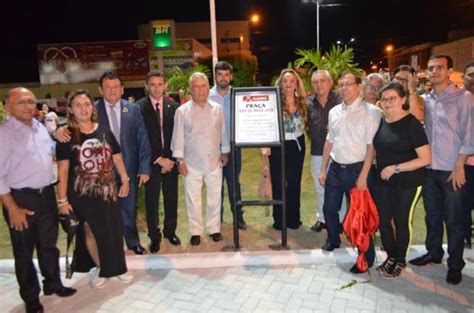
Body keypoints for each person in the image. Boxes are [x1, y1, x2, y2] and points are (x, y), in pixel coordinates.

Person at [54, 71, 151, 255]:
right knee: (105, 216)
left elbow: (143, 139)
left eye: (116, 87)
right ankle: (109, 249)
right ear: (100, 90)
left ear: (122, 89)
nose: (112, 90)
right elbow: (73, 126)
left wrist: (144, 168)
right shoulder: (92, 108)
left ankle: (132, 242)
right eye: (108, 87)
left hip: (126, 170)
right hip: (98, 176)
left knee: (128, 209)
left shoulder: (133, 109)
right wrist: (57, 131)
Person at [0, 88, 76, 313]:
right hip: (20, 198)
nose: (27, 106)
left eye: (31, 102)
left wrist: (58, 134)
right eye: (21, 102)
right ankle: (31, 297)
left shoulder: (39, 127)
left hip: (45, 196)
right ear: (7, 106)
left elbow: (48, 154)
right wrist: (12, 207)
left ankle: (53, 284)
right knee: (24, 251)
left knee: (48, 245)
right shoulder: (4, 134)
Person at [56, 90, 133, 289]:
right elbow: (63, 171)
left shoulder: (105, 131)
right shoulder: (66, 137)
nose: (83, 108)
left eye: (87, 104)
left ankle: (118, 268)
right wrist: (62, 200)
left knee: (113, 231)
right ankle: (101, 268)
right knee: (90, 231)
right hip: (82, 195)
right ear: (71, 110)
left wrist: (125, 179)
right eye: (78, 105)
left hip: (108, 192)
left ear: (93, 107)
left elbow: (116, 157)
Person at [409, 55, 473, 285]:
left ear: (449, 70)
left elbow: (469, 134)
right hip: (429, 169)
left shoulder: (464, 98)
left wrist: (459, 166)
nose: (434, 71)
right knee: (432, 216)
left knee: (454, 220)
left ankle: (455, 264)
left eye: (439, 68)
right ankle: (434, 253)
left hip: (451, 170)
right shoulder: (426, 100)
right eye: (431, 68)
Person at [319, 71, 381, 273]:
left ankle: (365, 258)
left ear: (359, 87)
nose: (344, 88)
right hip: (336, 168)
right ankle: (333, 239)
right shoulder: (334, 111)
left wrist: (363, 176)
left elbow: (371, 147)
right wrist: (323, 169)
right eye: (341, 84)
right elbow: (330, 141)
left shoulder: (371, 112)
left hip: (358, 170)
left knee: (360, 217)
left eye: (348, 84)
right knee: (329, 208)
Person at [372, 82, 431, 277]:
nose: (388, 103)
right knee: (383, 221)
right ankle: (390, 256)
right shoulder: (382, 121)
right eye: (384, 99)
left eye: (392, 98)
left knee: (401, 220)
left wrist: (395, 168)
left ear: (403, 99)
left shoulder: (411, 124)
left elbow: (426, 158)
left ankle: (400, 259)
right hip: (384, 181)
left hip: (409, 182)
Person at [171, 72, 230, 246]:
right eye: (196, 86)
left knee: (215, 197)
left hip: (214, 161)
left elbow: (223, 132)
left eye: (204, 86)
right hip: (191, 164)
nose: (201, 90)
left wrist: (225, 151)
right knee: (193, 199)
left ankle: (214, 229)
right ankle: (195, 231)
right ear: (190, 89)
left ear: (207, 87)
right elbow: (178, 137)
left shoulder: (217, 109)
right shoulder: (182, 111)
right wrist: (179, 161)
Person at [136, 70, 181, 253]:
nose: (156, 88)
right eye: (152, 84)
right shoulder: (139, 108)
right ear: (147, 86)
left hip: (170, 163)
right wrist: (158, 159)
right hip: (151, 163)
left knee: (171, 199)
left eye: (159, 84)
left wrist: (170, 160)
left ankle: (170, 231)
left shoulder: (173, 106)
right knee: (152, 202)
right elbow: (140, 138)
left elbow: (177, 135)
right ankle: (154, 237)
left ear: (165, 86)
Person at [209, 61, 247, 230]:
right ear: (215, 76)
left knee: (234, 183)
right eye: (219, 74)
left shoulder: (238, 95)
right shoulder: (207, 96)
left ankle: (238, 218)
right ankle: (217, 219)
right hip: (212, 148)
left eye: (226, 74)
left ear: (231, 76)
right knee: (215, 185)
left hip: (233, 147)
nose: (223, 78)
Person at [307, 70, 347, 232]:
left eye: (322, 81)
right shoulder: (309, 103)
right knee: (320, 187)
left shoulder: (341, 100)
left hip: (340, 152)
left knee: (340, 188)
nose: (319, 84)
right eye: (315, 82)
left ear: (330, 83)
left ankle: (342, 220)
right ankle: (322, 219)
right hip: (317, 151)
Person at [270, 69, 307, 230]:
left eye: (291, 81)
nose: (288, 84)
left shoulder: (303, 102)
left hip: (297, 145)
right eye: (285, 81)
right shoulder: (274, 101)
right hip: (278, 145)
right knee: (278, 183)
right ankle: (279, 220)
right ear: (281, 83)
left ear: (296, 83)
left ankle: (293, 219)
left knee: (294, 183)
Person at [462, 62, 474, 248]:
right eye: (470, 75)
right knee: (463, 205)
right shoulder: (458, 100)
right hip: (464, 164)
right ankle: (466, 236)